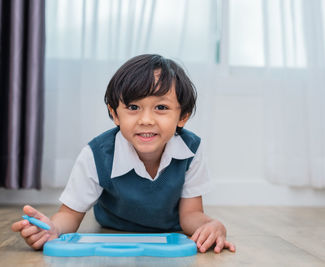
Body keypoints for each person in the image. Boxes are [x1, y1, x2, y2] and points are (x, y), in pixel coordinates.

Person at [11, 54, 235, 254]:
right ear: (114, 114)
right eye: (133, 107)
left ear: (183, 116)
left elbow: (191, 215)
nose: (146, 120)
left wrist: (210, 225)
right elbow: (69, 214)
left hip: (169, 233)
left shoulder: (191, 150)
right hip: (112, 229)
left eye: (161, 108)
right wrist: (53, 229)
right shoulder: (96, 154)